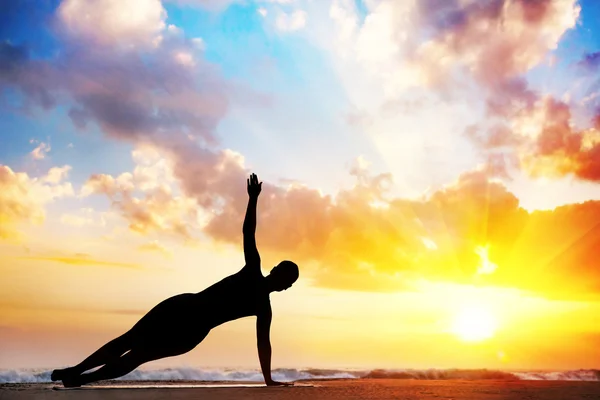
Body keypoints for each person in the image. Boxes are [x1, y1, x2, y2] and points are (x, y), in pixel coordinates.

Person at [50, 173, 299, 387]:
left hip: (192, 331)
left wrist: (268, 379)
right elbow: (248, 232)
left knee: (138, 354)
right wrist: (253, 199)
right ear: (275, 270)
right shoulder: (253, 273)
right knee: (129, 340)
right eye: (284, 275)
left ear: (285, 286)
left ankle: (80, 379)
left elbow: (263, 344)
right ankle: (76, 371)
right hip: (183, 307)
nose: (282, 281)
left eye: (287, 281)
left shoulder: (263, 307)